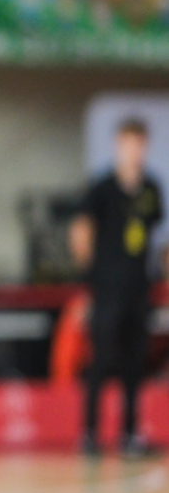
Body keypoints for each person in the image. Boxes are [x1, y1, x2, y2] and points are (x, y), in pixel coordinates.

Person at [71, 117, 164, 458]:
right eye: (126, 144)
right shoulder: (102, 188)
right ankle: (90, 434)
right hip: (108, 288)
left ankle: (130, 435)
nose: (132, 151)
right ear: (117, 145)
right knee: (100, 359)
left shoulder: (151, 189)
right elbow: (81, 232)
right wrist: (92, 277)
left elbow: (154, 239)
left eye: (137, 144)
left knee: (135, 363)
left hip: (138, 288)